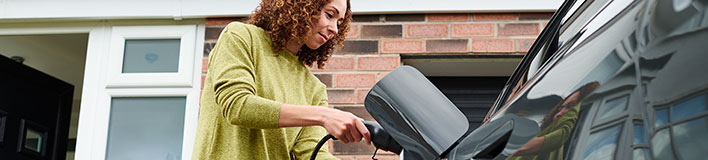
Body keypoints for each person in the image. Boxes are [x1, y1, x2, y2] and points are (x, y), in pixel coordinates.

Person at [192, 0, 370, 159]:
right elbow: (237, 105)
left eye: (339, 23)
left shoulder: (314, 89)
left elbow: (312, 153)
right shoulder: (241, 37)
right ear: (303, 5)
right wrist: (323, 115)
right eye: (329, 15)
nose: (335, 29)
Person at [509, 81, 600, 160]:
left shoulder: (564, 132)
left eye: (570, 106)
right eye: (560, 108)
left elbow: (561, 135)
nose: (558, 114)